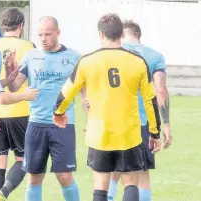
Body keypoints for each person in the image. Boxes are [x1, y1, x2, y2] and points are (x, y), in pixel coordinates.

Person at [53, 13, 162, 201]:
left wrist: (58, 113)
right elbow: (150, 100)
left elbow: (66, 93)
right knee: (130, 181)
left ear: (101, 35)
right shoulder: (137, 62)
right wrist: (154, 132)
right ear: (121, 35)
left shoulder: (87, 61)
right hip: (129, 135)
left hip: (99, 135)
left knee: (101, 185)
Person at [5, 16, 81, 201]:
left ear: (58, 33)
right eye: (40, 34)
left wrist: (92, 116)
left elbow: (85, 92)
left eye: (47, 34)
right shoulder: (31, 56)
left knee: (64, 176)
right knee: (34, 178)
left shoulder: (74, 57)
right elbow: (14, 87)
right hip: (36, 124)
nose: (43, 38)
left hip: (62, 124)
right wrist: (8, 71)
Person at [106, 20, 173, 201]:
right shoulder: (154, 56)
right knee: (141, 172)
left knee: (111, 170)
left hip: (111, 120)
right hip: (141, 123)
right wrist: (165, 124)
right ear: (139, 36)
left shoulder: (109, 54)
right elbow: (160, 90)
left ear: (121, 34)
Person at [0, 8, 36, 200]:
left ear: (3, 26)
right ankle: (4, 192)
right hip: (20, 109)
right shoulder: (29, 46)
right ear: (21, 26)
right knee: (24, 159)